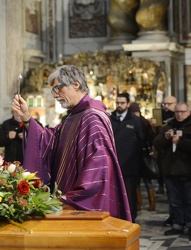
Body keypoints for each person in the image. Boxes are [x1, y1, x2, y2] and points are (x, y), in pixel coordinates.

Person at [12, 65, 131, 222]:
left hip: (84, 203)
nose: (55, 96)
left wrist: (74, 197)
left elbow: (100, 164)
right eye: (53, 91)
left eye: (58, 89)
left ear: (76, 84)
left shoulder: (93, 118)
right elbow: (51, 140)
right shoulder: (73, 116)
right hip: (67, 194)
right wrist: (26, 117)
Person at [153, 102, 191, 239]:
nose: (179, 114)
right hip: (170, 170)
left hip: (187, 171)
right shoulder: (168, 126)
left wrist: (180, 142)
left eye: (182, 112)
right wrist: (166, 137)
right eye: (177, 112)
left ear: (188, 112)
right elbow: (156, 144)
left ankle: (190, 224)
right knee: (175, 201)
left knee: (188, 200)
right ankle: (178, 225)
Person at [109, 93, 146, 222]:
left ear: (128, 104)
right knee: (113, 195)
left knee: (130, 195)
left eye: (122, 103)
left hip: (130, 166)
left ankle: (130, 220)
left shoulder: (135, 121)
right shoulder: (109, 119)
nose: (119, 105)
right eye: (117, 103)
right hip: (112, 165)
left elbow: (142, 142)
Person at [128, 103, 156, 212]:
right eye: (133, 112)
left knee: (147, 181)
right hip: (134, 157)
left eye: (136, 112)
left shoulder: (145, 123)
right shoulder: (132, 122)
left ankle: (151, 203)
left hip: (144, 156)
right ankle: (138, 204)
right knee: (137, 183)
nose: (135, 114)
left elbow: (150, 138)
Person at [157, 95, 177, 194]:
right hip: (163, 154)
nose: (166, 106)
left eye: (169, 104)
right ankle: (161, 185)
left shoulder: (178, 118)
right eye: (164, 104)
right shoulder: (159, 115)